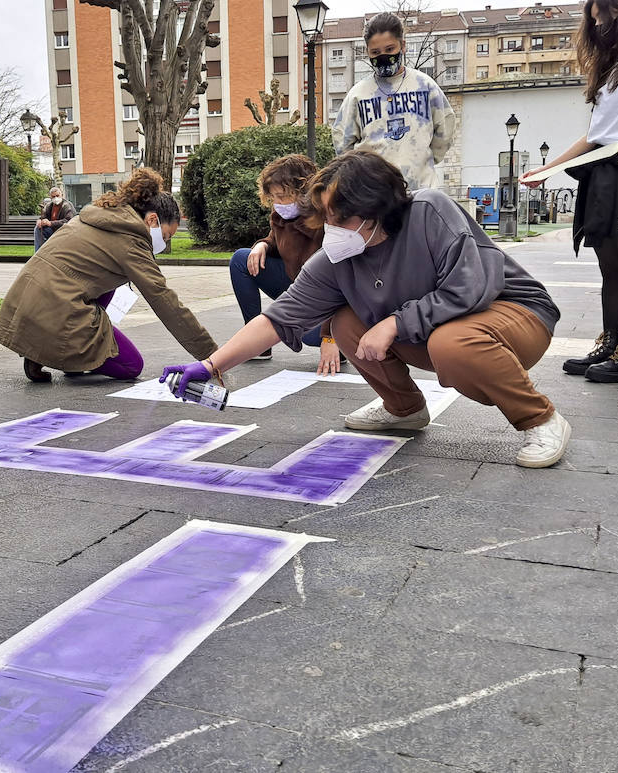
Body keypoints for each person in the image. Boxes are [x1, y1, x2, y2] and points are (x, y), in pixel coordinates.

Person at [162, 152, 571, 469]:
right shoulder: (337, 257)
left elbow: (472, 287)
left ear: (376, 208)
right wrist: (212, 365)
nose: (330, 227)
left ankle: (540, 420)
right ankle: (404, 409)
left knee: (453, 343)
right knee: (345, 322)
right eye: (326, 216)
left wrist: (396, 322)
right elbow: (279, 317)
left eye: (340, 216)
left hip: (514, 315)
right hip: (435, 331)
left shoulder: (429, 212)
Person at [523, 0, 618, 383]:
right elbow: (595, 136)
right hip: (603, 171)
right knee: (609, 266)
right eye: (594, 18)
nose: (598, 23)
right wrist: (549, 168)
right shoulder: (609, 67)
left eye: (604, 15)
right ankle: (610, 343)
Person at [0, 167, 218, 383]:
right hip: (58, 309)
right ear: (152, 220)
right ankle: (65, 353)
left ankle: (47, 352)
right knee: (131, 366)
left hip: (25, 305)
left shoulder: (98, 216)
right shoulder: (131, 242)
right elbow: (165, 301)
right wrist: (213, 356)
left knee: (112, 282)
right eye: (167, 236)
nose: (165, 243)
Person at [229, 154, 342, 374]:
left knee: (309, 336)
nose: (277, 204)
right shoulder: (280, 214)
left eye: (282, 196)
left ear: (304, 191)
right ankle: (258, 343)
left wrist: (329, 337)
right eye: (273, 198)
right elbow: (277, 239)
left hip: (326, 302)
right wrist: (262, 245)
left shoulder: (327, 219)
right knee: (241, 259)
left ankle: (342, 343)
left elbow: (338, 282)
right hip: (296, 286)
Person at [333, 12, 456, 193]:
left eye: (390, 49)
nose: (383, 56)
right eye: (375, 52)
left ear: (403, 45)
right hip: (375, 198)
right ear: (367, 51)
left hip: (420, 193)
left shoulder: (425, 86)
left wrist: (421, 160)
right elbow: (343, 145)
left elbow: (444, 132)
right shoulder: (357, 95)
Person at [34, 187, 78, 252]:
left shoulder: (67, 205)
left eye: (57, 196)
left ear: (62, 195)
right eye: (53, 197)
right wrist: (40, 220)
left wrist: (51, 223)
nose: (55, 198)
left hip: (64, 232)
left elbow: (69, 220)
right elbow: (44, 216)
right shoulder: (49, 205)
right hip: (52, 231)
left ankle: (45, 251)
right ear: (51, 197)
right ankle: (39, 252)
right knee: (37, 228)